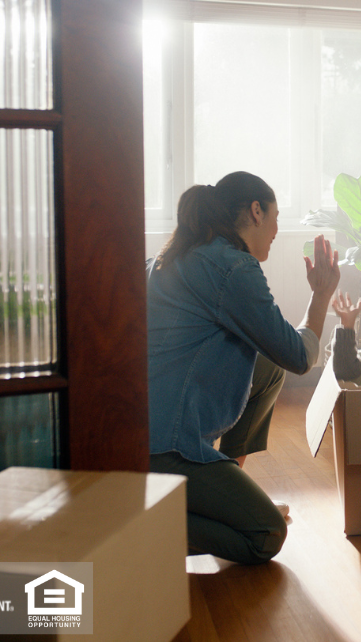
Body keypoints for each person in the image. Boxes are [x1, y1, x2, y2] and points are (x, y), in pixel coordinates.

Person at [147, 173, 340, 564]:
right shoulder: (233, 267)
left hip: (132, 432)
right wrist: (320, 295)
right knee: (265, 533)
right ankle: (138, 523)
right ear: (256, 211)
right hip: (164, 446)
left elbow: (278, 357)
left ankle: (227, 482)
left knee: (267, 368)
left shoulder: (171, 256)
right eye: (275, 216)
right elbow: (299, 356)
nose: (276, 229)